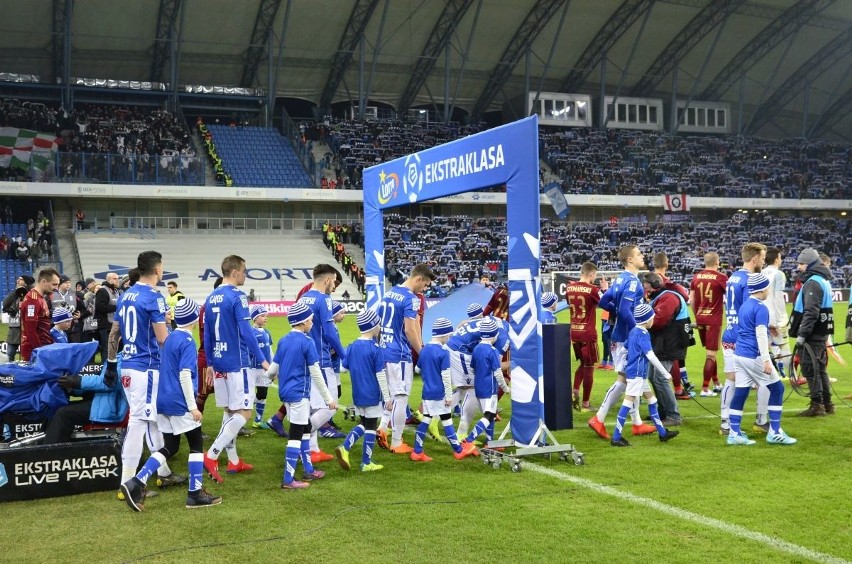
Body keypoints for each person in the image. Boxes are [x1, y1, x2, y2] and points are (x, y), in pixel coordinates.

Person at [120, 298, 223, 511]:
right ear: (195, 319)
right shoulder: (186, 341)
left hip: (162, 400)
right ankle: (194, 494)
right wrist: (192, 406)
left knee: (170, 446)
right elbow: (185, 375)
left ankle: (136, 482)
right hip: (179, 401)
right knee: (195, 444)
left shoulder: (170, 338)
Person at [107, 251, 182, 491]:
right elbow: (162, 339)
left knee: (151, 420)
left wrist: (110, 362)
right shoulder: (153, 297)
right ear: (158, 269)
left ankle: (164, 473)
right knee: (139, 422)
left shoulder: (126, 294)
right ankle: (127, 483)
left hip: (128, 364)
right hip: (146, 366)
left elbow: (115, 332)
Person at [203, 255, 269, 483]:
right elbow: (246, 331)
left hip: (219, 362)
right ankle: (211, 455)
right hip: (237, 362)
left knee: (230, 412)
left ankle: (233, 461)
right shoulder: (237, 296)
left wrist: (211, 363)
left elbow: (208, 333)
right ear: (234, 273)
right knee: (244, 413)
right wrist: (262, 360)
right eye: (244, 271)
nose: (245, 275)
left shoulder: (211, 296)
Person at [588, 245, 656, 439]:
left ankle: (637, 424)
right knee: (624, 379)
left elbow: (603, 302)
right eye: (639, 254)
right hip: (626, 337)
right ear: (630, 260)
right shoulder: (633, 282)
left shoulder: (619, 279)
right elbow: (626, 310)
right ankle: (599, 418)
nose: (642, 256)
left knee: (631, 380)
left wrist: (616, 310)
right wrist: (636, 329)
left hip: (619, 335)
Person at [266, 301, 336, 489]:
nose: (312, 323)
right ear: (303, 322)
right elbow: (315, 373)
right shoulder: (308, 342)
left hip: (287, 393)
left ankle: (308, 469)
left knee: (304, 429)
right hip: (299, 394)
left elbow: (273, 368)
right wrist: (328, 398)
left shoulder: (284, 339)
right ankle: (288, 480)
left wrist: (268, 378)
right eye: (311, 320)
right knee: (296, 434)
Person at [727, 273, 797, 446]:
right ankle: (774, 431)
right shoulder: (761, 308)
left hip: (740, 355)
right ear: (764, 288)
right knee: (777, 388)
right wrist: (766, 359)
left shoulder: (745, 305)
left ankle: (734, 433)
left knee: (741, 391)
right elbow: (760, 334)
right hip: (754, 355)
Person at [376, 263, 436, 453]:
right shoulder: (411, 298)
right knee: (401, 397)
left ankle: (382, 428)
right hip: (399, 354)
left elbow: (378, 321)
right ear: (418, 279)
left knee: (391, 395)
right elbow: (410, 329)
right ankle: (396, 442)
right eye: (425, 285)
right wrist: (421, 352)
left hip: (384, 350)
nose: (424, 289)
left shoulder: (391, 291)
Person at [610, 303, 679, 447]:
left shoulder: (634, 330)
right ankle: (616, 437)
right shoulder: (643, 334)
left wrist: (623, 364)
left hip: (638, 374)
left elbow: (624, 349)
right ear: (647, 320)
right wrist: (665, 373)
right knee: (627, 403)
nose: (653, 320)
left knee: (652, 400)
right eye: (652, 318)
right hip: (637, 375)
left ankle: (662, 433)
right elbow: (651, 355)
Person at [410, 317, 478, 462]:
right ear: (443, 334)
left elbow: (417, 369)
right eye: (448, 335)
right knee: (447, 421)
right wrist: (448, 395)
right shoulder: (442, 352)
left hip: (426, 392)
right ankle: (458, 450)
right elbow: (446, 377)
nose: (449, 338)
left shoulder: (424, 350)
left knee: (426, 420)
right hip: (439, 393)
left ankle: (417, 451)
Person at [720, 242, 769, 436]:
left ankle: (725, 422)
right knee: (766, 379)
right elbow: (751, 309)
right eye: (763, 259)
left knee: (731, 379)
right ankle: (761, 420)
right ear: (755, 258)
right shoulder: (751, 280)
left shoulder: (733, 277)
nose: (763, 262)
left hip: (729, 333)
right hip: (745, 337)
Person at [299, 264, 347, 462]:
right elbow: (328, 332)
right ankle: (303, 435)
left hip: (304, 357)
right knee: (330, 405)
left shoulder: (304, 297)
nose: (334, 285)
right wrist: (345, 355)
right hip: (321, 359)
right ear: (327, 279)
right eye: (334, 281)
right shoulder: (323, 299)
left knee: (314, 405)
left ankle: (313, 449)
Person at [335, 309, 392, 472]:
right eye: (378, 324)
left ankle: (347, 449)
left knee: (365, 423)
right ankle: (364, 460)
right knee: (371, 426)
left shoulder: (352, 346)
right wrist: (387, 398)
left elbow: (343, 368)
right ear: (373, 326)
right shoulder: (376, 349)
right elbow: (381, 376)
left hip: (358, 393)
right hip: (372, 393)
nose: (380, 327)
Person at [790, 248, 835, 417]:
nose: (799, 268)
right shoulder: (822, 280)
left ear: (810, 264)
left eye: (801, 264)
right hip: (821, 332)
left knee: (810, 368)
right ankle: (827, 403)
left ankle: (817, 405)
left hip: (812, 334)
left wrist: (802, 335)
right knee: (820, 368)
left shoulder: (813, 283)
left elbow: (811, 312)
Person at [43, 357, 128, 445]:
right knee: (55, 408)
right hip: (101, 401)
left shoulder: (126, 358)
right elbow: (98, 382)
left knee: (63, 414)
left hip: (111, 410)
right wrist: (72, 388)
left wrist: (77, 382)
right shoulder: (119, 356)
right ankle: (45, 447)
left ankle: (48, 455)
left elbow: (109, 383)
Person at [643, 272, 686, 426]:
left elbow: (658, 320)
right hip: (663, 343)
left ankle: (673, 415)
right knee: (654, 377)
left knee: (660, 378)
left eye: (646, 285)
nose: (645, 288)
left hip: (669, 344)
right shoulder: (663, 296)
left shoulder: (668, 297)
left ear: (654, 285)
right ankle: (663, 412)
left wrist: (642, 321)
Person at [463, 317, 510, 447]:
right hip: (489, 388)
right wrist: (505, 388)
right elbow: (498, 372)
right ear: (494, 334)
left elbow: (472, 368)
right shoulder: (493, 351)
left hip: (478, 387)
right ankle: (469, 440)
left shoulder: (477, 349)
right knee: (489, 416)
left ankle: (490, 442)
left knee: (490, 413)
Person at [652, 252, 693, 398]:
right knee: (672, 357)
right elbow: (686, 296)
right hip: (670, 327)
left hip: (648, 325)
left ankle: (640, 393)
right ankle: (677, 389)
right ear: (667, 264)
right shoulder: (669, 284)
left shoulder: (646, 281)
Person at [689, 251, 727, 396]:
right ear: (717, 262)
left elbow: (692, 300)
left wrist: (697, 316)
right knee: (711, 354)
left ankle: (716, 383)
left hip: (700, 318)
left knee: (712, 352)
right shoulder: (721, 278)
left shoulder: (696, 277)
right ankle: (705, 388)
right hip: (714, 319)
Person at [565, 262, 601, 412]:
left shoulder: (569, 288)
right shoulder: (593, 289)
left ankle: (575, 390)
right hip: (588, 333)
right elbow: (604, 302)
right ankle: (586, 402)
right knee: (589, 366)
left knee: (582, 363)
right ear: (591, 274)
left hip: (574, 331)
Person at [449, 302, 485, 437]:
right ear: (481, 313)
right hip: (459, 352)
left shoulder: (466, 323)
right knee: (471, 389)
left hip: (453, 349)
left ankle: (433, 417)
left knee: (463, 388)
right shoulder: (483, 325)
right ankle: (462, 433)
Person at [762, 247, 792, 380]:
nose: (781, 260)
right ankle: (793, 377)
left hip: (762, 317)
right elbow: (779, 298)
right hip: (775, 317)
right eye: (780, 257)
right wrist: (782, 319)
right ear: (776, 259)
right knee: (784, 346)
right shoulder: (779, 274)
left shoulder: (761, 272)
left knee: (764, 348)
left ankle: (764, 378)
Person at [20, 268, 60, 361]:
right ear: (43, 281)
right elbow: (30, 331)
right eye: (54, 284)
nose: (56, 288)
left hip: (42, 348)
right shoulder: (33, 300)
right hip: (34, 351)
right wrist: (40, 351)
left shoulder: (40, 298)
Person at [249, 305, 273, 429]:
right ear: (254, 318)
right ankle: (244, 407)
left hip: (266, 368)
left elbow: (270, 350)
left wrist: (273, 366)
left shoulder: (267, 332)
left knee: (263, 394)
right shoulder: (250, 333)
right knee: (251, 394)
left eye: (266, 316)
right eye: (262, 316)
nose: (265, 318)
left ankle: (258, 420)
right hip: (254, 368)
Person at [3, 275, 33, 361]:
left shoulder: (31, 294)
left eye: (20, 280)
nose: (17, 281)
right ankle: (9, 373)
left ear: (26, 282)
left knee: (28, 355)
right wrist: (16, 291)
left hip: (27, 328)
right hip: (14, 328)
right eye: (17, 279)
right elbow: (5, 304)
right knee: (9, 355)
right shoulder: (15, 294)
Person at [95, 272, 120, 362]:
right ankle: (106, 371)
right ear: (108, 280)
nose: (117, 280)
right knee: (108, 349)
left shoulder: (116, 291)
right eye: (115, 279)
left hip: (115, 324)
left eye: (118, 278)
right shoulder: (103, 290)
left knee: (116, 349)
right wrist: (117, 307)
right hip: (106, 325)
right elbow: (100, 307)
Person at [51, 275, 77, 341]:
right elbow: (46, 309)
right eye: (66, 283)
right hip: (56, 326)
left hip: (70, 326)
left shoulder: (74, 294)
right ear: (60, 284)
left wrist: (80, 314)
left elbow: (82, 308)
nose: (68, 284)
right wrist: (57, 312)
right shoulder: (51, 294)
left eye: (69, 282)